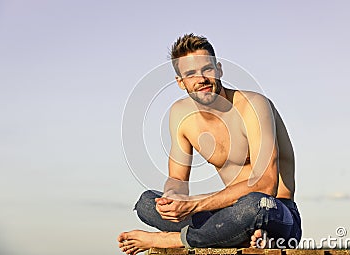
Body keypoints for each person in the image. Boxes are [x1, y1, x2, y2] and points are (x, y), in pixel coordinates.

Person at [118, 34, 302, 255]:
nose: (201, 78)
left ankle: (173, 240)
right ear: (180, 82)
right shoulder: (180, 114)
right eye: (190, 74)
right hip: (225, 215)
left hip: (275, 211)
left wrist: (194, 204)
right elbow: (177, 180)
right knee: (147, 203)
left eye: (207, 69)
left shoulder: (253, 105)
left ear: (219, 70)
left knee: (254, 206)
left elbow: (266, 184)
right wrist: (172, 199)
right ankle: (233, 236)